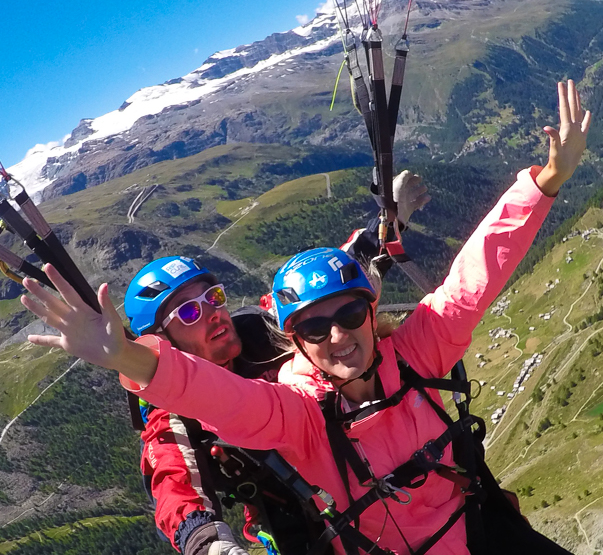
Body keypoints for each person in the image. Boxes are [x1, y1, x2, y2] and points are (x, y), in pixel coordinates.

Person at [23, 80, 589, 555]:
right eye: (190, 311)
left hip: (474, 528)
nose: (337, 335)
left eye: (214, 296)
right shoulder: (279, 413)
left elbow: (453, 280)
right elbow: (186, 461)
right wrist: (126, 358)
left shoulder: (326, 342)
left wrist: (542, 184)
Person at [110, 175, 431, 555]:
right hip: (302, 520)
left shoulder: (260, 331)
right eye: (190, 311)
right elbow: (173, 482)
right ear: (162, 342)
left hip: (366, 464)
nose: (214, 313)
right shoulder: (177, 413)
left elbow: (323, 286)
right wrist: (207, 543)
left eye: (214, 297)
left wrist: (389, 222)